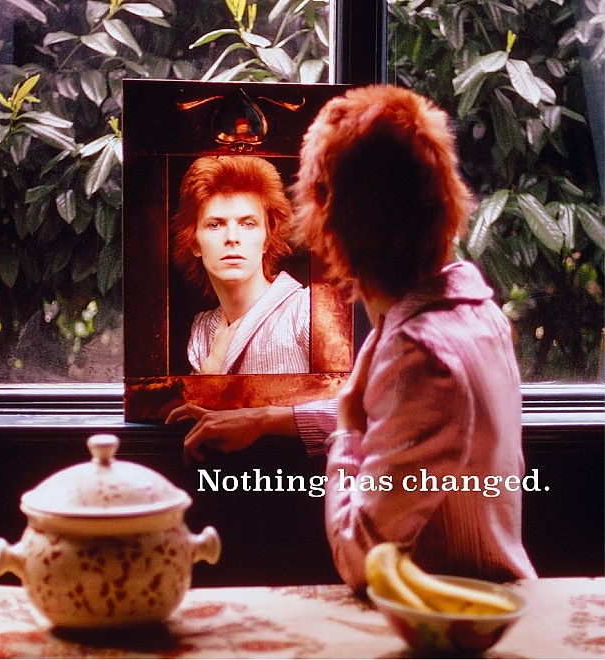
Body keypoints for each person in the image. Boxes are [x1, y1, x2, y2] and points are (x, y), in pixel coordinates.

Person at [168, 84, 537, 589]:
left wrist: (345, 424)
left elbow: (357, 554)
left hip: (444, 619)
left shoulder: (419, 352)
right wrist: (269, 418)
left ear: (327, 224)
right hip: (487, 599)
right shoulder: (478, 315)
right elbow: (411, 421)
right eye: (215, 224)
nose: (232, 237)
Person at [171, 155, 309, 375]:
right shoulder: (202, 331)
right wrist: (210, 373)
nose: (232, 238)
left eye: (248, 224)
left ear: (267, 238)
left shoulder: (304, 311)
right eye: (215, 225)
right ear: (194, 243)